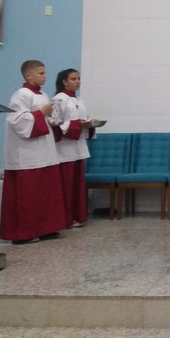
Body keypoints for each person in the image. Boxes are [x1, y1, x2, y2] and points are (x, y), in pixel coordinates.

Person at [1, 60, 67, 244]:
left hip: (45, 151)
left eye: (45, 73)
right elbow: (17, 121)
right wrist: (41, 113)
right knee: (28, 195)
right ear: (29, 75)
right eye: (41, 73)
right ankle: (25, 232)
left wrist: (54, 121)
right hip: (26, 154)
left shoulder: (43, 95)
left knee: (44, 193)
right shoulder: (21, 95)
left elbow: (45, 118)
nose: (45, 76)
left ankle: (45, 228)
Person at [53, 68, 93, 229]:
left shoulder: (79, 100)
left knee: (77, 185)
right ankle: (65, 218)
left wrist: (89, 124)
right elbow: (55, 123)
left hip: (78, 146)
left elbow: (80, 120)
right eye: (73, 79)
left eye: (79, 78)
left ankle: (77, 216)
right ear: (64, 81)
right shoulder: (58, 100)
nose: (77, 82)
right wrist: (77, 124)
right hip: (64, 148)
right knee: (66, 185)